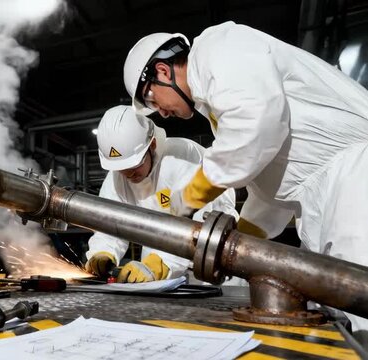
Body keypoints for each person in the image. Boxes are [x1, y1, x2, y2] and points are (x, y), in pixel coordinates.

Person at [123, 21, 368, 334]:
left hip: (356, 179)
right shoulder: (216, 101)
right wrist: (243, 234)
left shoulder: (220, 47)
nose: (162, 113)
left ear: (162, 71)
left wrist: (192, 193)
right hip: (321, 201)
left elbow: (258, 123)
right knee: (351, 323)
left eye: (153, 100)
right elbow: (274, 190)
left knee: (362, 307)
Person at [85, 105, 239, 283]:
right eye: (121, 169)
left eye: (134, 165)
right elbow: (109, 222)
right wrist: (104, 252)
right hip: (156, 259)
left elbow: (195, 227)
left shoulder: (183, 157)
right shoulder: (118, 177)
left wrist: (162, 263)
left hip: (213, 258)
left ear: (153, 145)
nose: (129, 175)